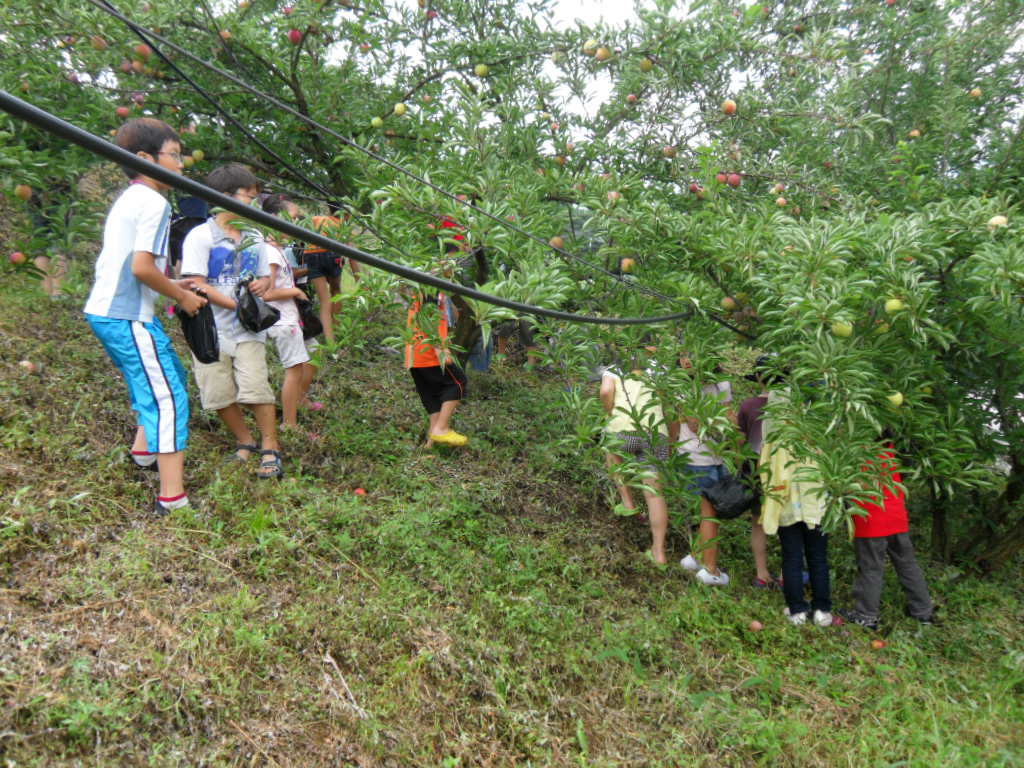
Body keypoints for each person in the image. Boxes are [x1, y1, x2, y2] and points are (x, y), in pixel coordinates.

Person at [83, 117, 207, 516]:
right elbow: (140, 268)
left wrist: (174, 284)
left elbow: (139, 265)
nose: (181, 164)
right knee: (167, 396)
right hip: (126, 316)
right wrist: (182, 299)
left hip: (114, 311)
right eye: (174, 155)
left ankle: (143, 454)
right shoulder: (154, 201)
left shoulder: (132, 198)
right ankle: (172, 499)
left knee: (161, 375)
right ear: (144, 158)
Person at [180, 163, 283, 479]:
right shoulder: (200, 236)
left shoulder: (254, 236)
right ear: (225, 196)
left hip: (248, 329)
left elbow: (267, 279)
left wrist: (262, 288)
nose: (254, 201)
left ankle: (271, 446)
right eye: (248, 195)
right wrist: (236, 305)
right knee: (217, 391)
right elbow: (196, 283)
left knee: (256, 388)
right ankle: (245, 441)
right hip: (211, 329)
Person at [759, 391, 833, 626]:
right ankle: (822, 610)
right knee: (818, 557)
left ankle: (797, 610)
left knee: (792, 557)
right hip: (815, 503)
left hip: (786, 501)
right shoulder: (816, 434)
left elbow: (765, 466)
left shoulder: (775, 437)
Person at [843, 445, 935, 629]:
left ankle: (866, 615)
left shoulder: (856, 451)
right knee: (908, 564)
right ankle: (923, 612)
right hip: (896, 516)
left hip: (870, 519)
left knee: (870, 568)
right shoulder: (890, 450)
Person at [600, 360, 671, 566]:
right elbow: (670, 406)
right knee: (654, 493)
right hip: (656, 433)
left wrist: (609, 412)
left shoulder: (615, 366)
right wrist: (672, 439)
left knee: (609, 446)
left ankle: (628, 501)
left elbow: (606, 392)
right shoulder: (660, 368)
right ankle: (659, 553)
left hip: (625, 429)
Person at [674, 355, 734, 586]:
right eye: (682, 356)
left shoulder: (720, 384)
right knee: (708, 514)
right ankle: (709, 568)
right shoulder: (682, 384)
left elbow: (730, 419)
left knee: (709, 513)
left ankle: (696, 557)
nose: (685, 361)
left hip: (715, 457)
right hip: (695, 456)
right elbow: (693, 422)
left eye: (690, 355)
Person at [262, 194, 320, 424]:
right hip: (283, 321)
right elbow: (267, 292)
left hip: (291, 318)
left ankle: (299, 401)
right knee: (294, 370)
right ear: (275, 218)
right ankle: (290, 424)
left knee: (314, 354)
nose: (295, 223)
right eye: (292, 218)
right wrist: (295, 292)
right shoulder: (269, 252)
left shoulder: (278, 250)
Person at [405, 283, 468, 447]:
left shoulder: (426, 286)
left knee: (432, 396)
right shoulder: (432, 286)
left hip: (414, 355)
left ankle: (429, 446)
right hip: (429, 352)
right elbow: (428, 319)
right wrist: (440, 349)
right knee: (458, 382)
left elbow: (452, 316)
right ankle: (441, 428)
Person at [736, 360, 778, 589]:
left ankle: (762, 573)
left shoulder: (748, 406)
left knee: (758, 522)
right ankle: (786, 572)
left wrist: (738, 465)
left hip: (755, 469)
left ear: (759, 378)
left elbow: (740, 442)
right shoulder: (792, 406)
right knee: (787, 523)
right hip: (785, 471)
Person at [303, 212, 360, 344]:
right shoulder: (341, 225)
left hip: (311, 254)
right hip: (331, 255)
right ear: (345, 214)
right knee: (336, 291)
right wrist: (359, 278)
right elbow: (352, 254)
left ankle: (330, 342)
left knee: (324, 301)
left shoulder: (314, 218)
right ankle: (336, 328)